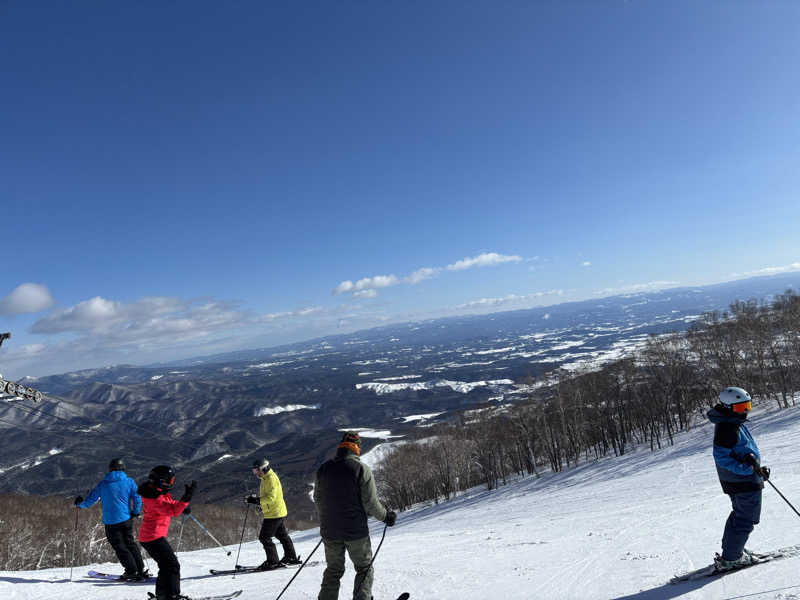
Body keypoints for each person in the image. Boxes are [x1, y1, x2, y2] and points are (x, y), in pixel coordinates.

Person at [313, 431, 397, 600]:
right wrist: (386, 517)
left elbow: (317, 499)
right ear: (357, 447)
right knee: (364, 567)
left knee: (333, 570)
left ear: (341, 446)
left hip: (330, 531)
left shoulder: (323, 468)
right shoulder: (360, 469)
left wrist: (329, 518)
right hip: (355, 531)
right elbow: (371, 503)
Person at [708, 387, 770, 571]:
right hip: (741, 481)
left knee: (739, 516)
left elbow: (741, 450)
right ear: (727, 407)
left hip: (740, 479)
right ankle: (732, 557)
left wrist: (756, 467)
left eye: (747, 406)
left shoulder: (732, 421)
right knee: (745, 518)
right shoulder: (728, 427)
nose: (745, 411)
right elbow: (721, 457)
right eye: (740, 407)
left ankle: (733, 551)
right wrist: (747, 468)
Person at [74, 457, 147, 581]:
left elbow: (90, 500)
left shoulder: (103, 484)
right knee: (130, 543)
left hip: (111, 521)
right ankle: (139, 569)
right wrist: (135, 512)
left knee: (120, 546)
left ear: (110, 469)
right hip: (126, 519)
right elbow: (137, 498)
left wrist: (79, 504)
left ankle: (131, 571)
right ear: (123, 469)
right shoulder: (129, 482)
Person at [137, 465, 196, 600]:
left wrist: (181, 505)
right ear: (161, 481)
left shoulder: (154, 492)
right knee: (172, 565)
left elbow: (169, 503)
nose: (171, 484)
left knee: (165, 565)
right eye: (170, 481)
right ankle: (172, 595)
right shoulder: (155, 498)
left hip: (149, 536)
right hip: (153, 537)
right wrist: (185, 499)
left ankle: (163, 594)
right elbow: (172, 511)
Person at [245, 457, 300, 570]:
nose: (255, 473)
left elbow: (271, 497)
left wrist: (256, 501)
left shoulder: (270, 479)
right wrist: (260, 504)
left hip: (274, 513)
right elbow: (268, 497)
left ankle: (273, 561)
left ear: (263, 469)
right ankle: (291, 557)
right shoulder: (265, 478)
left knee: (264, 537)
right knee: (282, 535)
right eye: (254, 471)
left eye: (256, 470)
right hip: (275, 511)